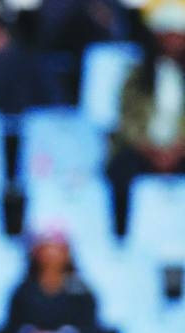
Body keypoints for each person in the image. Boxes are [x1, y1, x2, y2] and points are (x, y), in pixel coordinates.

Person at [106, 0, 185, 234]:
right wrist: (150, 150)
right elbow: (127, 120)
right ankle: (123, 232)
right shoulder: (135, 75)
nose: (172, 41)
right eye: (167, 35)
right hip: (142, 150)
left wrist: (177, 150)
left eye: (177, 35)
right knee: (121, 171)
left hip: (179, 150)